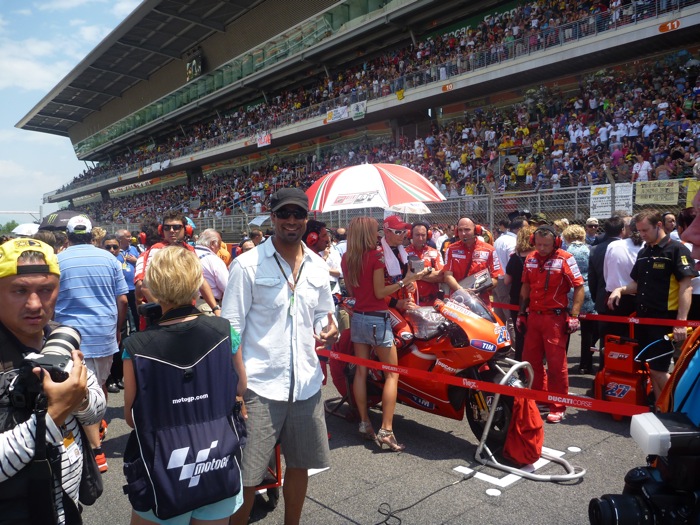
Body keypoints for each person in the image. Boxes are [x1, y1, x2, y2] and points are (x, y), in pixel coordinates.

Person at [222, 188, 338, 525]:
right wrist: (239, 386)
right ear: (272, 217)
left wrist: (325, 328)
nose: (291, 221)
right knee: (248, 476)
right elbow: (231, 328)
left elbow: (321, 314)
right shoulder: (246, 264)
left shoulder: (317, 265)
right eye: (283, 214)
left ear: (306, 219)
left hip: (306, 384)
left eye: (297, 215)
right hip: (259, 386)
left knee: (300, 465)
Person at [122, 246, 246, 525]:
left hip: (163, 469)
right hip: (218, 459)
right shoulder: (225, 330)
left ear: (152, 285)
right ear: (196, 283)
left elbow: (131, 417)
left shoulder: (135, 346)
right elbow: (240, 387)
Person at [0, 238, 106, 524]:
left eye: (45, 290)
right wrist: (55, 414)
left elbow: (96, 410)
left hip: (66, 506)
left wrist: (79, 396)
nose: (35, 304)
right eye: (19, 291)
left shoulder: (59, 339)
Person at [342, 216, 428, 451]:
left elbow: (352, 289)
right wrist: (406, 281)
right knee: (392, 374)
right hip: (377, 318)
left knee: (361, 370)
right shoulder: (376, 256)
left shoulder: (347, 257)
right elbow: (381, 292)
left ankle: (364, 422)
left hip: (358, 315)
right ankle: (387, 430)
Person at [54, 215, 128, 473]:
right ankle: (97, 426)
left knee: (76, 387)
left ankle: (93, 445)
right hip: (103, 332)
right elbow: (123, 301)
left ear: (69, 235)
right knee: (102, 384)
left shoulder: (57, 259)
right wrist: (118, 329)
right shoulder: (110, 259)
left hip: (70, 336)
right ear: (91, 235)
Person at [608, 209, 698, 398]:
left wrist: (681, 321)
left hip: (663, 320)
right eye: (639, 231)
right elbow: (636, 283)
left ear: (658, 226)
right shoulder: (644, 251)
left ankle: (677, 408)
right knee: (651, 367)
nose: (641, 235)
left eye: (645, 230)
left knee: (659, 369)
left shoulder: (676, 249)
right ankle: (660, 410)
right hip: (643, 319)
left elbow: (686, 286)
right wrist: (620, 290)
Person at [517, 225, 584, 424]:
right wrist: (521, 313)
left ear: (555, 242)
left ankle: (558, 405)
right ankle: (540, 398)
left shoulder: (565, 258)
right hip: (534, 317)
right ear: (532, 242)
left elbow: (579, 286)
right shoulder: (530, 258)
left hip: (555, 319)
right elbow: (525, 286)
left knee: (557, 365)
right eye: (538, 244)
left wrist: (574, 315)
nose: (542, 248)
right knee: (531, 360)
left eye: (546, 244)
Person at [562, 225, 597, 374]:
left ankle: (562, 361)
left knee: (566, 329)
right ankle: (585, 365)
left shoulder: (565, 252)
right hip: (587, 290)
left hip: (569, 291)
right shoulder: (590, 250)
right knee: (588, 331)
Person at [443, 217, 503, 305]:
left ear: (476, 230)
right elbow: (448, 276)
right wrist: (461, 290)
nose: (463, 233)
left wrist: (479, 289)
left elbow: (495, 278)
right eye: (460, 230)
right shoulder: (451, 249)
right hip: (458, 301)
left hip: (481, 302)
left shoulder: (489, 250)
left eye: (467, 230)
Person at [504, 225, 536, 362]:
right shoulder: (537, 257)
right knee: (534, 335)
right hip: (533, 300)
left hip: (516, 299)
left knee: (520, 334)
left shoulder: (514, 258)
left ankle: (520, 365)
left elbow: (506, 281)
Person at [103, 234, 129, 394]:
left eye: (115, 247)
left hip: (122, 305)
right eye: (108, 247)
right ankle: (109, 379)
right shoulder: (102, 263)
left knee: (121, 344)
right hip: (108, 307)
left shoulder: (124, 261)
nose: (112, 250)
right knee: (110, 346)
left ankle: (119, 377)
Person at [493, 218, 526, 325]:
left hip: (496, 280)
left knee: (499, 318)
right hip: (506, 282)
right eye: (526, 228)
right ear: (518, 229)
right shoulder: (513, 242)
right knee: (511, 318)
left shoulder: (500, 239)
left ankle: (501, 341)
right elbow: (512, 267)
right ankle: (514, 342)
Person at [404, 221, 444, 306]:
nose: (420, 238)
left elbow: (441, 276)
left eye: (423, 235)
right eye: (417, 235)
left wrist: (415, 275)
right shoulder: (403, 253)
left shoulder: (435, 253)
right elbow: (403, 278)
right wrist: (430, 270)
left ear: (428, 235)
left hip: (432, 302)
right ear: (411, 235)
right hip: (411, 302)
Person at [194, 228, 229, 310]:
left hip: (186, 305)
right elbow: (227, 287)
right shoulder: (213, 259)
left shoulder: (187, 253)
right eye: (219, 245)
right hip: (208, 305)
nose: (220, 248)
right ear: (213, 243)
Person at [116, 229, 140, 332]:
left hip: (133, 287)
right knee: (123, 314)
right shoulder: (115, 251)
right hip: (121, 289)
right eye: (128, 237)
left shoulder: (134, 249)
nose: (131, 238)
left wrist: (136, 261)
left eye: (130, 236)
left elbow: (142, 264)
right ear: (120, 239)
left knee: (136, 314)